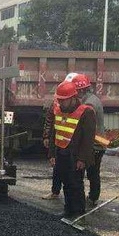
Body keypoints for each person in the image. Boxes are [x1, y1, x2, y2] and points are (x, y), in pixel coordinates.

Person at [47, 81, 96, 221]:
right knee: (65, 182)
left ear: (73, 98)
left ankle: (79, 213)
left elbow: (88, 139)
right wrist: (52, 154)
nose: (61, 103)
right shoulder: (58, 110)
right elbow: (54, 133)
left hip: (75, 155)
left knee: (76, 184)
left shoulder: (86, 112)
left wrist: (82, 159)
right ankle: (68, 210)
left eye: (64, 100)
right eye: (59, 100)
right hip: (61, 152)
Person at [70, 73, 106, 207]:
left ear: (80, 90)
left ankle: (92, 198)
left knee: (92, 172)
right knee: (93, 172)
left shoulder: (89, 104)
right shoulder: (92, 99)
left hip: (94, 144)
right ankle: (92, 197)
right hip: (97, 143)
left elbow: (86, 128)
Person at [41, 100, 62, 200]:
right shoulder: (55, 105)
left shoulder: (77, 106)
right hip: (58, 140)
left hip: (70, 143)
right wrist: (46, 136)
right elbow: (49, 121)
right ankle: (55, 192)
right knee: (57, 168)